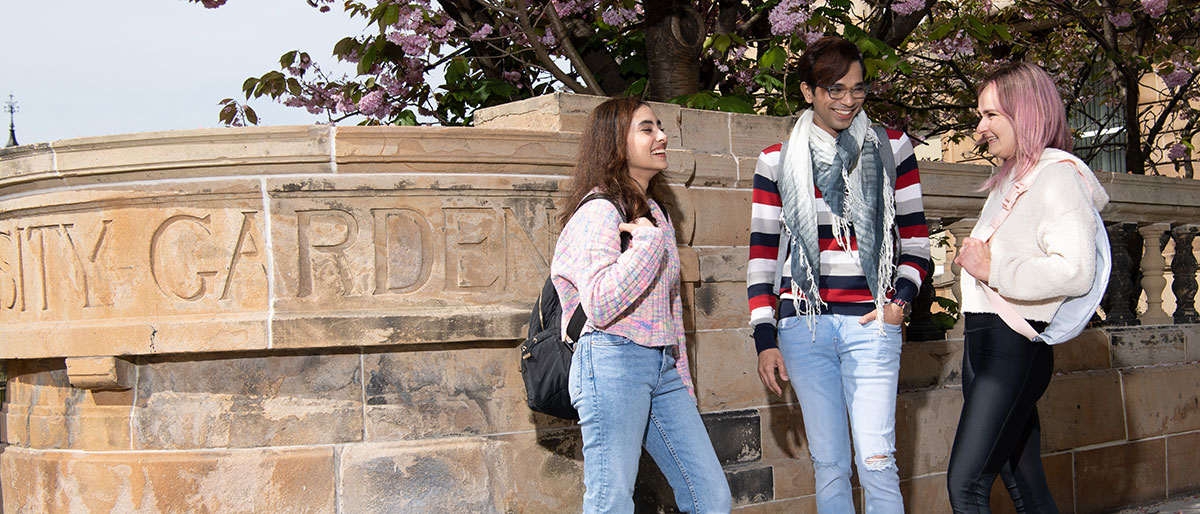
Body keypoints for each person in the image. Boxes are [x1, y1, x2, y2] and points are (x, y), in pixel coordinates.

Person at [745, 36, 931, 513]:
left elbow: (916, 243)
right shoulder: (777, 159)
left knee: (876, 461)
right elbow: (764, 256)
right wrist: (765, 338)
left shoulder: (891, 147)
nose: (849, 100)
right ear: (808, 91)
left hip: (872, 325)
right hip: (802, 328)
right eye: (835, 89)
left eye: (857, 89)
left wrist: (898, 303)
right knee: (829, 465)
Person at [551, 97, 732, 514]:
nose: (662, 136)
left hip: (661, 367)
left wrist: (681, 382)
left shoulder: (657, 214)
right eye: (647, 129)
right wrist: (645, 247)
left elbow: (668, 311)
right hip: (612, 359)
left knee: (711, 497)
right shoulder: (599, 211)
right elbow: (598, 303)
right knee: (611, 500)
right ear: (616, 143)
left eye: (660, 127)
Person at [947, 61, 1108, 513]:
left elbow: (1075, 271)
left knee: (966, 483)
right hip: (984, 344)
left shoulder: (1057, 178)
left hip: (1012, 348)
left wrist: (993, 267)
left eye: (991, 115)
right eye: (980, 115)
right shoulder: (1011, 180)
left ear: (1028, 113)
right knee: (1023, 481)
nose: (980, 128)